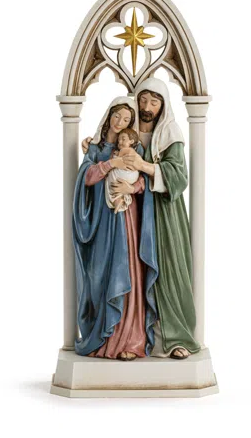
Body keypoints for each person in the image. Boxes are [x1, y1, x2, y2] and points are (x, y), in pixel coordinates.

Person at [82, 78, 200, 359]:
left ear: (163, 106)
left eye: (154, 102)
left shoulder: (169, 133)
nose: (147, 107)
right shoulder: (127, 132)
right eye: (143, 100)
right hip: (130, 216)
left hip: (163, 213)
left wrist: (143, 167)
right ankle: (132, 336)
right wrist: (94, 145)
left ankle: (174, 338)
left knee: (168, 271)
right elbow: (103, 153)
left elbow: (179, 177)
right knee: (132, 272)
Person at [73, 97, 158, 361]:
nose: (120, 123)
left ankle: (131, 340)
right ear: (109, 116)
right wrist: (110, 164)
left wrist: (132, 187)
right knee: (100, 273)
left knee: (130, 269)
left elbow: (144, 181)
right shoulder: (96, 148)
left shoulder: (134, 148)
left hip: (128, 218)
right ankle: (104, 337)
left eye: (127, 120)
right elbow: (86, 178)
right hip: (103, 219)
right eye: (117, 116)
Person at [105, 128, 141, 214]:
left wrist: (116, 156)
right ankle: (123, 198)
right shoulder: (134, 152)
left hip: (127, 173)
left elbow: (118, 159)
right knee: (118, 184)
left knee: (110, 178)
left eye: (123, 139)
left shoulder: (127, 150)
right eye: (119, 140)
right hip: (133, 176)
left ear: (131, 141)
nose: (120, 142)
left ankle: (116, 200)